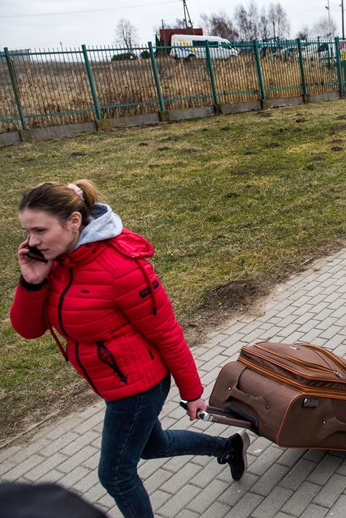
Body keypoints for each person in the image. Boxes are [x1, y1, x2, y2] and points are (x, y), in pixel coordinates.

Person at [10, 181, 250, 518]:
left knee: (115, 475)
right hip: (111, 381)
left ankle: (227, 447)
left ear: (74, 221)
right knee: (154, 446)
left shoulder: (123, 268)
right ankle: (228, 446)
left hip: (137, 388)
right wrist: (32, 281)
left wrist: (193, 392)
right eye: (27, 231)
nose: (31, 241)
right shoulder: (58, 263)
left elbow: (168, 333)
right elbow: (29, 330)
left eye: (39, 230)